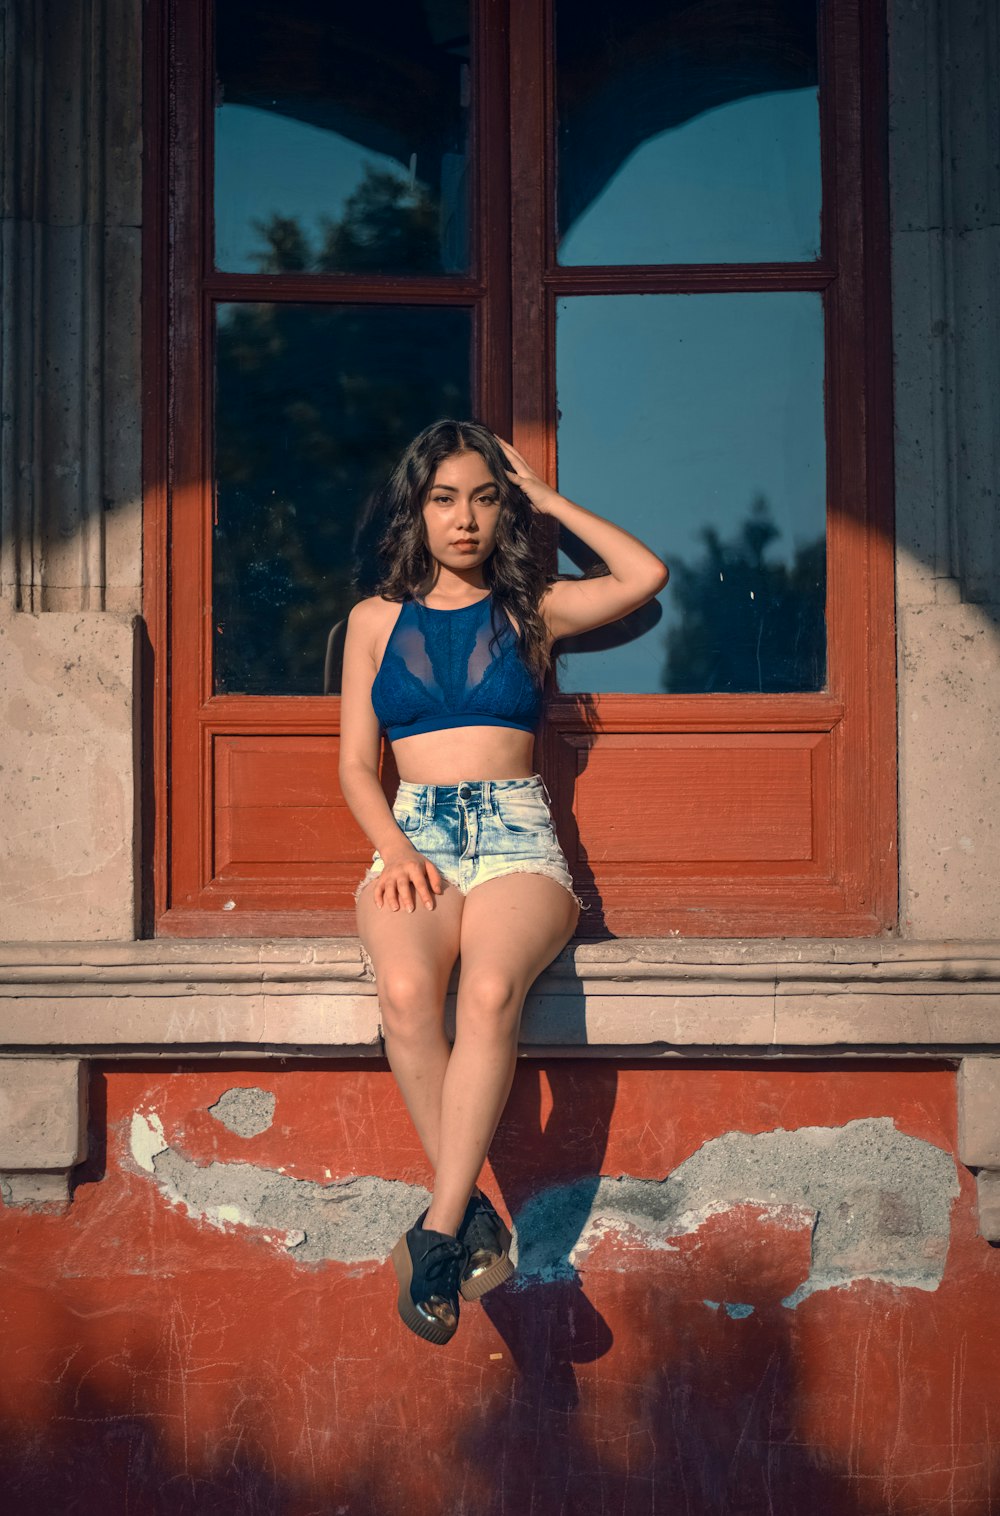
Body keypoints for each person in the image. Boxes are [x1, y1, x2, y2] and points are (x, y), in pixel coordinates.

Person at [338, 419, 668, 1345]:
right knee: (407, 991)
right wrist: (397, 852)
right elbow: (358, 767)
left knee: (487, 992)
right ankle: (471, 1215)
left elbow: (645, 577)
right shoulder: (374, 621)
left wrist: (554, 502)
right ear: (418, 509)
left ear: (502, 509)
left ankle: (440, 1230)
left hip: (519, 839)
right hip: (415, 840)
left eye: (485, 498)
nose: (466, 519)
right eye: (445, 499)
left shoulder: (532, 610)